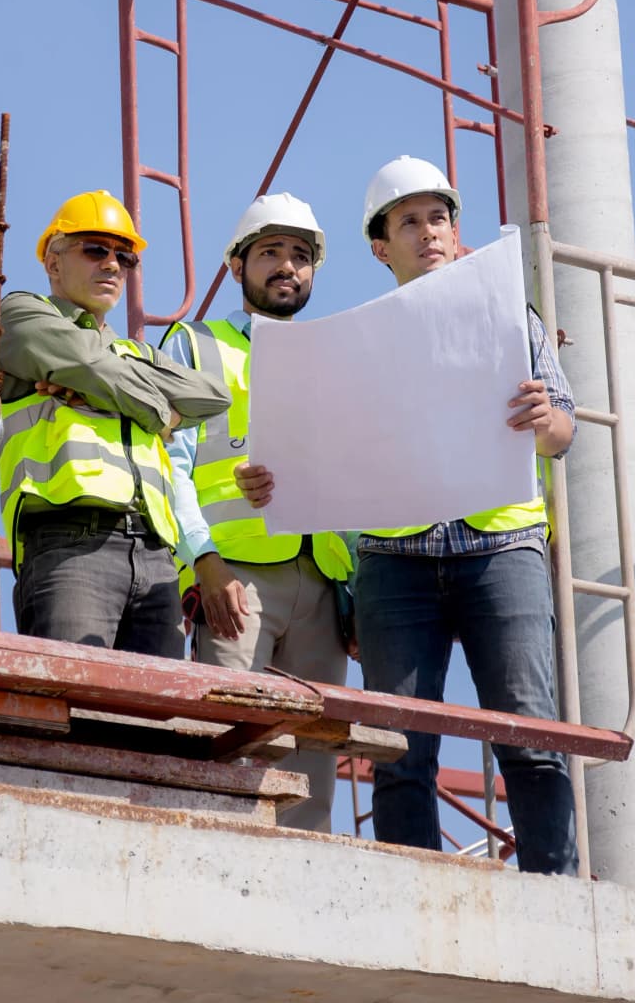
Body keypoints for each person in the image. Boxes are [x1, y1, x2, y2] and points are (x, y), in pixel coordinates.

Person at [235, 156, 578, 874]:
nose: (428, 232)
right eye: (409, 221)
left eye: (439, 217)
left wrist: (547, 417)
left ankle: (552, 886)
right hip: (396, 563)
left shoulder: (512, 318)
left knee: (530, 730)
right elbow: (324, 452)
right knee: (398, 745)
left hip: (502, 548)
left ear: (458, 233)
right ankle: (411, 887)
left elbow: (563, 430)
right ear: (380, 246)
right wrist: (275, 482)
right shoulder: (357, 343)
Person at [162, 192, 353, 832]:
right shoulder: (196, 346)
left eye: (300, 256)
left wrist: (353, 590)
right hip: (234, 580)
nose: (286, 267)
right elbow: (170, 466)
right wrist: (203, 566)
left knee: (315, 774)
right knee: (229, 752)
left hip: (321, 579)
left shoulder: (335, 358)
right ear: (237, 265)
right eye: (270, 252)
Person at [0, 190, 228, 656]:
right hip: (68, 541)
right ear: (52, 262)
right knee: (72, 705)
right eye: (95, 249)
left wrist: (97, 384)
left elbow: (212, 395)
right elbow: (93, 365)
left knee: (152, 721)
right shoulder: (19, 314)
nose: (112, 265)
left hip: (157, 557)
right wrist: (158, 409)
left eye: (124, 257)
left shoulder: (134, 353)